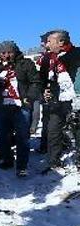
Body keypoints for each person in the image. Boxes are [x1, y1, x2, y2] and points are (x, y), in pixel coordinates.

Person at [0, 41, 41, 177]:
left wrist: (29, 97)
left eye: (9, 52)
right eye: (3, 53)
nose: (6, 55)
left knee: (22, 138)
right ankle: (7, 160)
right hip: (2, 106)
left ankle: (21, 166)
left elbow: (35, 82)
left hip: (21, 106)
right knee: (2, 137)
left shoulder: (26, 64)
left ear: (15, 52)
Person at [40, 30, 80, 172]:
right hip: (57, 101)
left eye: (50, 41)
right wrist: (44, 91)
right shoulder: (47, 58)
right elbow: (43, 79)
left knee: (78, 131)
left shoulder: (77, 54)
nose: (47, 44)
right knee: (53, 131)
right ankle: (53, 162)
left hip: (76, 100)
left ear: (61, 42)